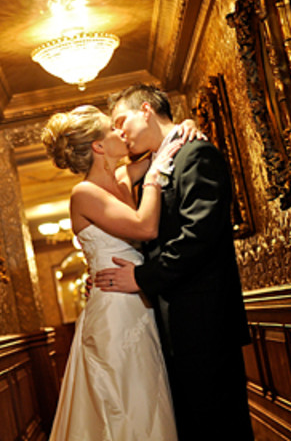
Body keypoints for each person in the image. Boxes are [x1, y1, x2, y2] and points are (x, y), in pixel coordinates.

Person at [95, 83, 254, 440]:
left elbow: (200, 235)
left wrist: (143, 277)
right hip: (173, 317)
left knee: (219, 423)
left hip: (204, 318)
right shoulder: (156, 161)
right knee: (192, 422)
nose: (120, 134)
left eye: (122, 122)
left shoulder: (195, 154)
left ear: (147, 109)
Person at [42, 105, 199, 441]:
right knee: (121, 403)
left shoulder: (124, 177)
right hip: (113, 313)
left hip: (140, 305)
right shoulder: (83, 194)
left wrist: (185, 125)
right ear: (99, 146)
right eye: (112, 130)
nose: (121, 133)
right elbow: (145, 227)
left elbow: (165, 145)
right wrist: (155, 180)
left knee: (149, 398)